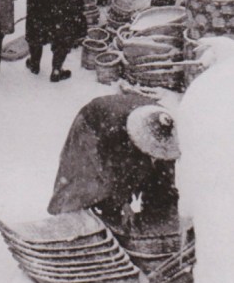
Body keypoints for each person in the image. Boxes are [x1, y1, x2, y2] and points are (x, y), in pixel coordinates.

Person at [47, 94, 180, 232]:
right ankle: (71, 222)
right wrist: (123, 204)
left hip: (127, 120)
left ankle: (149, 220)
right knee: (86, 180)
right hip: (94, 124)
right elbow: (116, 174)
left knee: (159, 181)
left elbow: (165, 179)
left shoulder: (170, 132)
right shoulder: (116, 132)